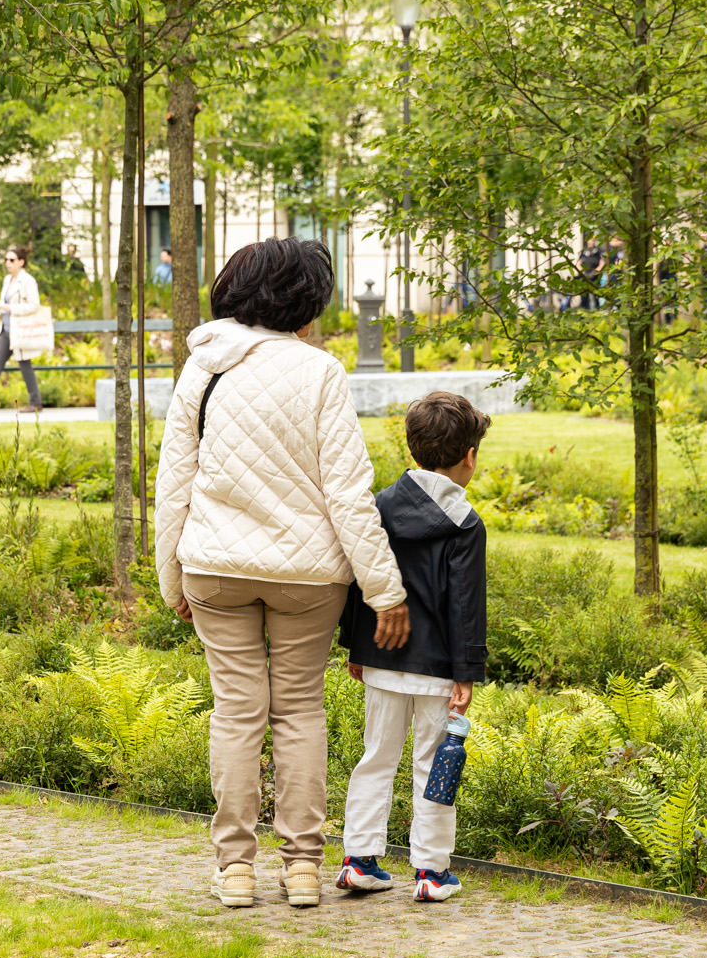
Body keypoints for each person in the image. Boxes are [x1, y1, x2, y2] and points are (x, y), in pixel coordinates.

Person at [154, 237, 408, 911]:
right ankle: (301, 869)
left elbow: (172, 485)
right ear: (304, 299)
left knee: (236, 711)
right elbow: (348, 493)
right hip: (306, 575)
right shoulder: (319, 371)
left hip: (215, 566)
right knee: (299, 711)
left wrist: (170, 579)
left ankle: (235, 869)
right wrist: (384, 588)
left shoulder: (201, 368)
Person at [335, 390, 489, 904]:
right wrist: (466, 673)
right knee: (435, 763)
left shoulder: (378, 506)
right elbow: (465, 606)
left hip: (379, 659)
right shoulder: (465, 524)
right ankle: (430, 871)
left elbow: (361, 582)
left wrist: (356, 648)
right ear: (469, 457)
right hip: (438, 669)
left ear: (413, 449)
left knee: (375, 757)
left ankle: (359, 860)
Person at [0, 245, 43, 412]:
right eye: (6, 260)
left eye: (11, 260)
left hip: (20, 330)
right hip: (6, 330)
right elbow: (4, 302)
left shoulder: (28, 281)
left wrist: (11, 308)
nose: (7, 263)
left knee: (25, 365)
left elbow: (34, 305)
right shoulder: (7, 280)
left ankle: (36, 402)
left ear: (21, 262)